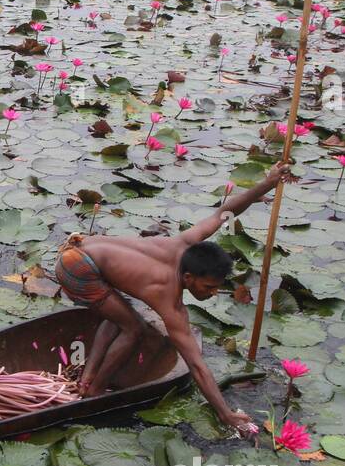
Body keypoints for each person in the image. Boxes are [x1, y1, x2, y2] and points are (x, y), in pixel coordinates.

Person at [53, 161, 294, 434]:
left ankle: (86, 380)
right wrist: (225, 413)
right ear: (188, 278)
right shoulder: (167, 298)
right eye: (207, 287)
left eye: (217, 288)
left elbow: (226, 212)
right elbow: (196, 365)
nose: (213, 293)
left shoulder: (185, 243)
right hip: (78, 268)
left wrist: (268, 182)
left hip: (83, 246)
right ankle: (93, 392)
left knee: (122, 314)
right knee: (134, 328)